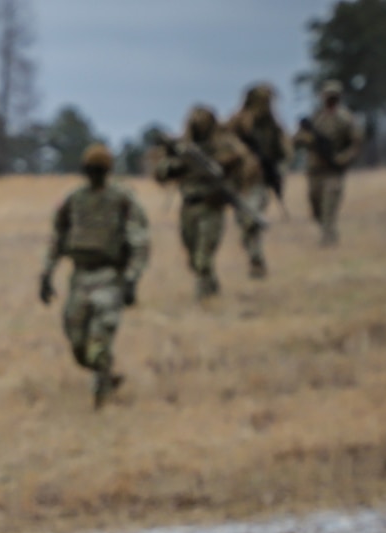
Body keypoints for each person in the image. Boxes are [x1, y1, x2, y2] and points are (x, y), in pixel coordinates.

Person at [39, 143, 150, 409]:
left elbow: (139, 241)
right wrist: (46, 274)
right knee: (77, 341)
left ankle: (101, 395)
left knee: (100, 338)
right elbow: (58, 238)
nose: (95, 175)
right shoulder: (74, 199)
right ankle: (107, 376)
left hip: (109, 277)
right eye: (91, 170)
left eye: (99, 170)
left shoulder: (122, 199)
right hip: (79, 278)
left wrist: (132, 278)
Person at [154, 105, 257, 300]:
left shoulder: (226, 145)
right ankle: (211, 284)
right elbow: (161, 172)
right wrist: (175, 166)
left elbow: (243, 167)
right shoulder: (182, 148)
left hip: (212, 206)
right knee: (193, 256)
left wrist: (227, 175)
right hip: (188, 205)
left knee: (204, 257)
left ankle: (203, 297)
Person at [228, 82, 290, 278]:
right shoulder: (237, 123)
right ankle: (255, 257)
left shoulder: (274, 127)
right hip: (239, 183)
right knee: (245, 223)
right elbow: (224, 146)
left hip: (260, 183)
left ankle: (256, 260)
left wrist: (276, 174)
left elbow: (284, 154)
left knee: (251, 219)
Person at [294, 79, 364, 246]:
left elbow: (356, 144)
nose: (330, 99)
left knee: (329, 206)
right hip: (314, 171)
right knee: (316, 207)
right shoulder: (315, 117)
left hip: (333, 172)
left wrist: (343, 158)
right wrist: (308, 139)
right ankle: (328, 231)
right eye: (328, 95)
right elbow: (297, 139)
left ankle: (328, 239)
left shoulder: (346, 119)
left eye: (334, 96)